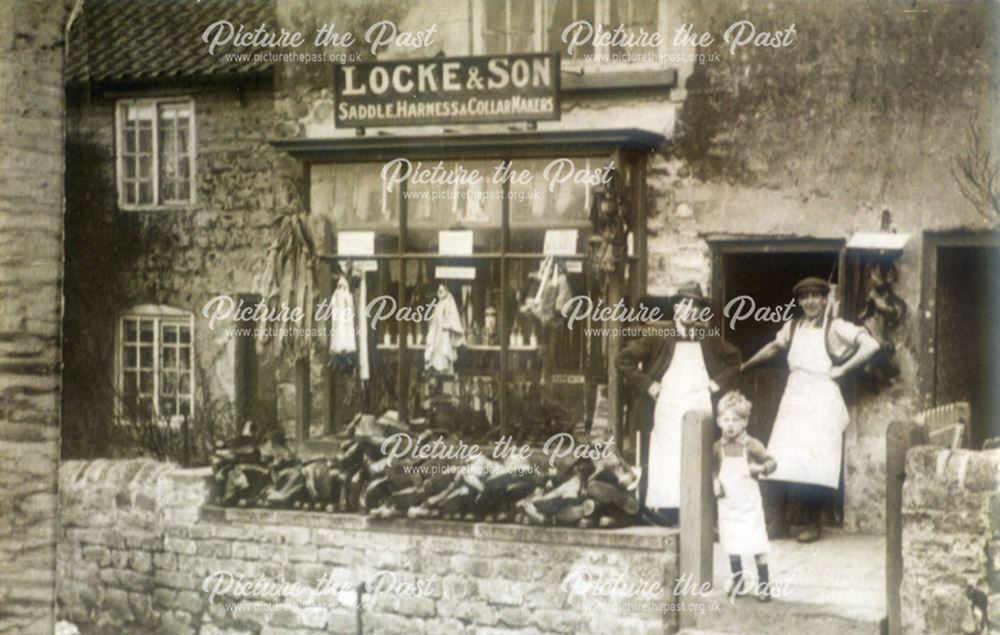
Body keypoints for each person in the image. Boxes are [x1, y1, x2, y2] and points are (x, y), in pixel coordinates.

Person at [740, 276, 880, 542]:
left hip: (822, 395)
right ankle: (777, 522)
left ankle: (810, 523)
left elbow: (871, 345)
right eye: (805, 298)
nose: (810, 302)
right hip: (795, 394)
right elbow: (774, 347)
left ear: (826, 299)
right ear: (800, 301)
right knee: (782, 455)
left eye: (816, 296)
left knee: (815, 461)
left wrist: (842, 368)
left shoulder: (836, 327)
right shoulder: (793, 326)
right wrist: (746, 365)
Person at [616, 283, 742, 525]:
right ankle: (668, 512)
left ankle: (699, 513)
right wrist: (648, 384)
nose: (689, 310)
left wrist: (716, 384)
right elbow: (623, 359)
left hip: (699, 404)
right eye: (684, 304)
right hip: (668, 408)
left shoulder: (707, 337)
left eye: (694, 306)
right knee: (668, 457)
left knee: (698, 455)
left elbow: (735, 359)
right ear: (675, 307)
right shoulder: (659, 333)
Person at [713, 390, 776, 602]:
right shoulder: (717, 447)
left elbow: (771, 463)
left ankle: (764, 585)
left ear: (745, 422)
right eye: (726, 419)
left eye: (736, 420)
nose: (730, 425)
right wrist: (715, 481)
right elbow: (713, 468)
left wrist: (759, 469)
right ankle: (738, 582)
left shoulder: (752, 445)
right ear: (719, 421)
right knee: (732, 542)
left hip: (748, 503)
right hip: (728, 503)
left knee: (756, 542)